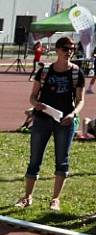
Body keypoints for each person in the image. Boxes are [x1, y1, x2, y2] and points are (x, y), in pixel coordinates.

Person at [16, 36, 85, 212]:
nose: (69, 52)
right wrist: (35, 104)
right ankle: (27, 196)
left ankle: (55, 199)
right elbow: (32, 96)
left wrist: (73, 114)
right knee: (35, 159)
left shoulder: (77, 73)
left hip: (65, 121)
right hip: (43, 120)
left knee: (62, 160)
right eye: (65, 48)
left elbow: (80, 100)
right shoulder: (45, 71)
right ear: (57, 50)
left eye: (72, 48)